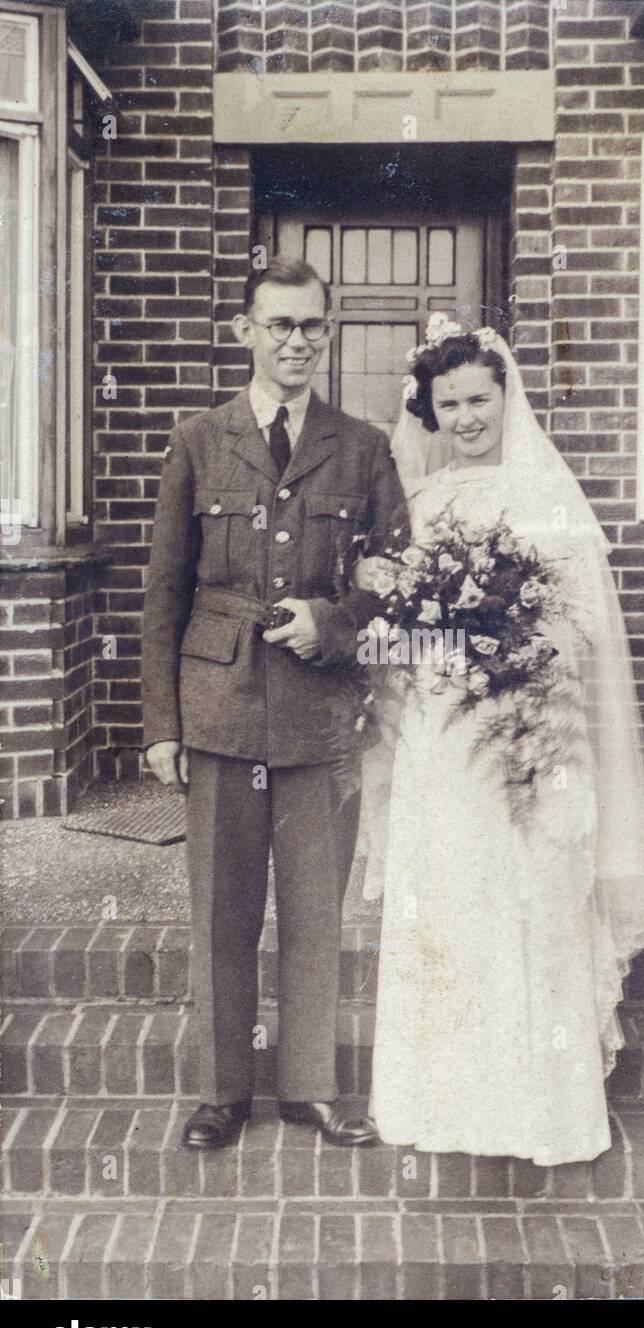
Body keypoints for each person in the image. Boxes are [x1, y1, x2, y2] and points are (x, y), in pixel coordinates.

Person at [360, 316, 644, 1166]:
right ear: (428, 411)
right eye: (448, 403)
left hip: (525, 732)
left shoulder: (548, 501)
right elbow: (389, 633)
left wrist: (511, 660)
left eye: (479, 399)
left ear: (506, 397)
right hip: (439, 731)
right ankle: (441, 1098)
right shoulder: (418, 505)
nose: (465, 417)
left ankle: (538, 1109)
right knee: (448, 896)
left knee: (527, 893)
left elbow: (581, 630)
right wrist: (438, 652)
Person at [141, 257, 408, 1150]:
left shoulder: (364, 447)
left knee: (312, 911)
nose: (297, 343)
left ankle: (309, 1088)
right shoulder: (198, 439)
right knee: (222, 910)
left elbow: (400, 583)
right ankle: (222, 1091)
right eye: (280, 325)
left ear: (328, 334)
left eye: (312, 327)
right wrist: (161, 727)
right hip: (218, 707)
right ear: (245, 330)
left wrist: (331, 621)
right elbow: (164, 593)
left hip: (320, 717)